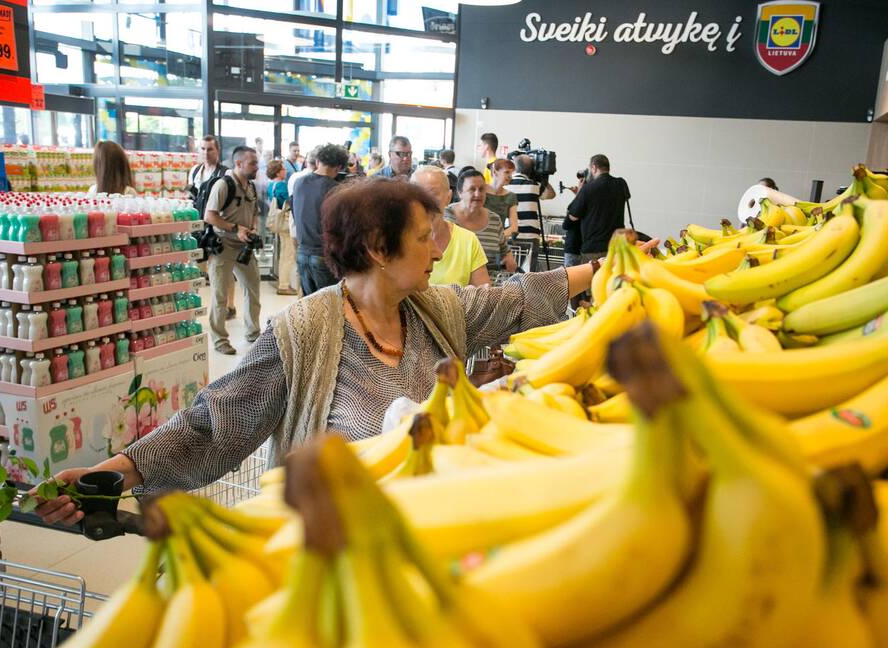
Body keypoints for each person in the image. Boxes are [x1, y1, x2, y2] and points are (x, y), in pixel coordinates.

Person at [34, 178, 600, 523]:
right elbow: (212, 423)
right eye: (425, 235)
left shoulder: (436, 310)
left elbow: (515, 298)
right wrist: (112, 474)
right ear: (379, 248)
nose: (438, 246)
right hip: (331, 555)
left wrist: (601, 269)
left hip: (429, 544)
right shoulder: (304, 331)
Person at [204, 145, 262, 355]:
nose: (257, 166)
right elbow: (209, 216)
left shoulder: (251, 186)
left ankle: (253, 333)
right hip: (223, 245)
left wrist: (252, 227)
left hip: (244, 247)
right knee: (220, 295)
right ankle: (220, 340)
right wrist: (235, 228)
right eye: (252, 163)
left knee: (253, 288)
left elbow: (254, 211)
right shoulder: (223, 185)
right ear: (238, 163)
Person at [412, 165, 489, 287]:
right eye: (419, 195)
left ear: (448, 197)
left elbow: (483, 298)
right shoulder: (400, 241)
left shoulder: (468, 241)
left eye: (433, 194)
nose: (425, 202)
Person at [188, 135, 236, 320]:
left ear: (217, 151)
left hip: (217, 227)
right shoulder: (194, 171)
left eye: (210, 149)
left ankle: (229, 306)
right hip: (198, 226)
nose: (206, 153)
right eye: (202, 149)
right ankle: (194, 302)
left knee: (223, 269)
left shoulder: (227, 173)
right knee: (196, 267)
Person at [295, 143, 348, 296]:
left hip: (302, 252)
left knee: (310, 307)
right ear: (338, 167)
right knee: (329, 307)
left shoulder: (299, 183)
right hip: (323, 255)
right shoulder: (336, 189)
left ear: (317, 161)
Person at [446, 168, 516, 273]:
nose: (478, 194)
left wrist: (509, 257)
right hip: (452, 285)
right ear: (460, 193)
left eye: (482, 189)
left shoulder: (494, 220)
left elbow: (504, 250)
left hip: (487, 285)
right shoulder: (446, 215)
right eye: (472, 189)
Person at [566, 154, 630, 262]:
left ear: (594, 168)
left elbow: (573, 216)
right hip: (616, 246)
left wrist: (580, 193)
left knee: (593, 279)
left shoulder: (588, 188)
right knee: (612, 278)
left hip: (593, 249)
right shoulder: (621, 183)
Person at [507, 154, 556, 248]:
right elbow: (552, 194)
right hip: (531, 236)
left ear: (514, 168)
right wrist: (543, 179)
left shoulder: (505, 185)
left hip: (509, 234)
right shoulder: (535, 186)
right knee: (529, 263)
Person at [267, 160, 297, 296]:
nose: (285, 171)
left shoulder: (270, 186)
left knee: (283, 253)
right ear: (278, 171)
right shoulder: (282, 186)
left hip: (277, 222)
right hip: (285, 224)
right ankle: (284, 285)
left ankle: (282, 282)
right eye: (283, 169)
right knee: (288, 254)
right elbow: (290, 202)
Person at [484, 158, 519, 240]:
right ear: (495, 172)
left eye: (511, 173)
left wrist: (496, 237)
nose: (510, 176)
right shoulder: (480, 191)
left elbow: (514, 227)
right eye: (507, 172)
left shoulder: (511, 196)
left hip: (498, 241)